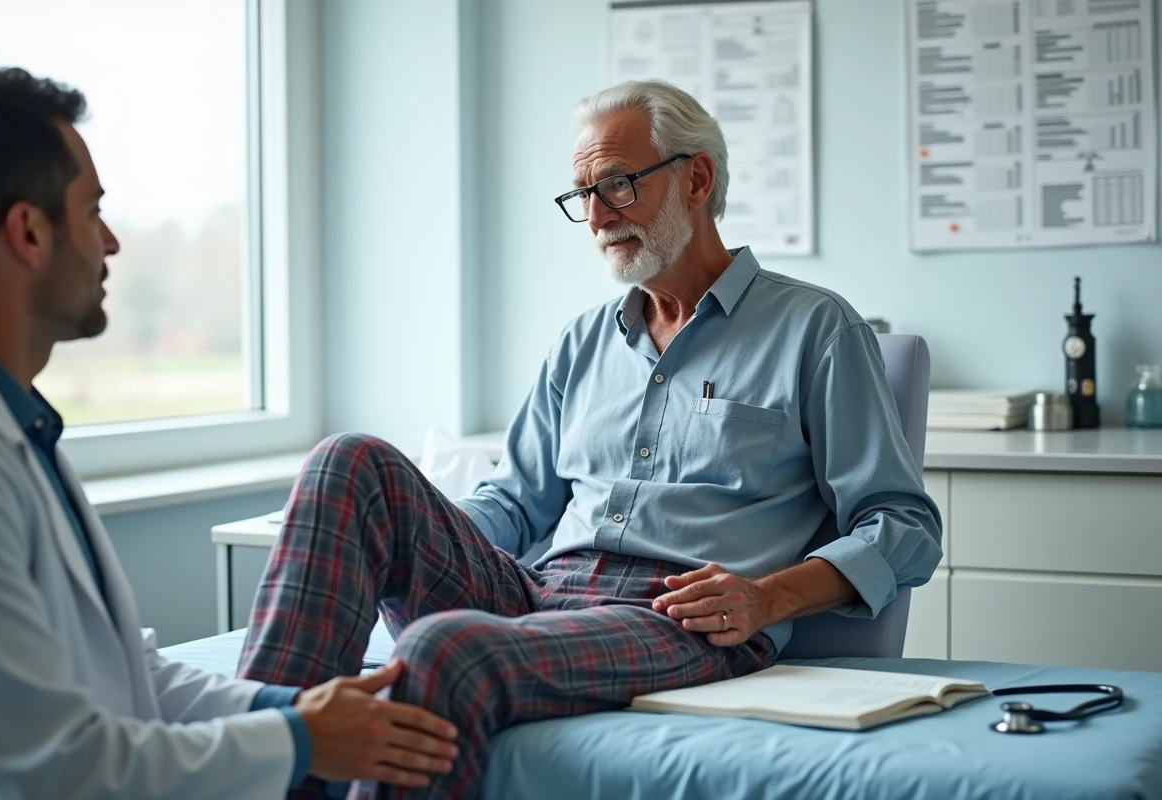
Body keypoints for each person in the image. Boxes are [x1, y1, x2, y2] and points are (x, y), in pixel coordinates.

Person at [238, 79, 943, 800]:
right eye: (584, 195)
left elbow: (905, 527)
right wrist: (420, 529)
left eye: (617, 185)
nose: (598, 216)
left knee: (444, 650)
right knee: (348, 461)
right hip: (540, 594)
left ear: (696, 179)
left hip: (674, 616)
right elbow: (514, 504)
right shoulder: (582, 342)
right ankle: (259, 761)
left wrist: (766, 599)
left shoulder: (817, 329)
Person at [0, 66, 459, 799]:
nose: (111, 242)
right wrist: (298, 741)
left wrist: (296, 713)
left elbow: (132, 680)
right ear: (29, 232)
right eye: (93, 212)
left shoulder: (19, 428)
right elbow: (56, 771)